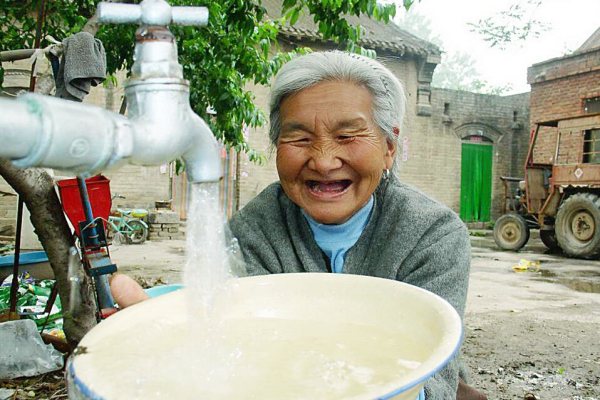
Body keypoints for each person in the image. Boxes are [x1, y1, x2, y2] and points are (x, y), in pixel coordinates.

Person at [111, 50, 486, 400]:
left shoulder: (432, 235)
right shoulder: (253, 230)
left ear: (389, 146)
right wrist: (169, 341)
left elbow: (435, 378)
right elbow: (241, 351)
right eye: (300, 138)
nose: (323, 161)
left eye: (347, 135)